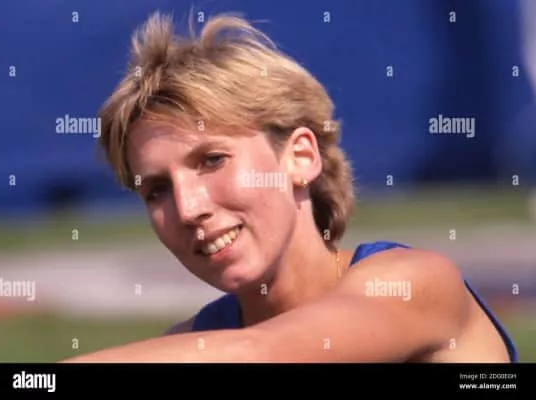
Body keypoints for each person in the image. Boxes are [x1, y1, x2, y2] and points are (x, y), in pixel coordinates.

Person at [63, 11, 517, 363]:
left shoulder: (415, 283)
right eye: (156, 190)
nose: (187, 207)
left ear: (300, 157)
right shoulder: (193, 342)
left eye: (212, 160)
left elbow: (261, 353)